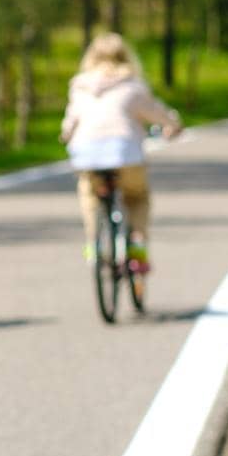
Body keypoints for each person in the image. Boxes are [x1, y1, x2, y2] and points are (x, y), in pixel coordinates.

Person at [58, 31, 181, 274]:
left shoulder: (80, 85)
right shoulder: (132, 85)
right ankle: (137, 249)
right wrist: (173, 124)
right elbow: (156, 113)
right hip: (125, 154)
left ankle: (94, 242)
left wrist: (66, 135)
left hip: (87, 154)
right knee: (136, 196)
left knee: (89, 193)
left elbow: (70, 121)